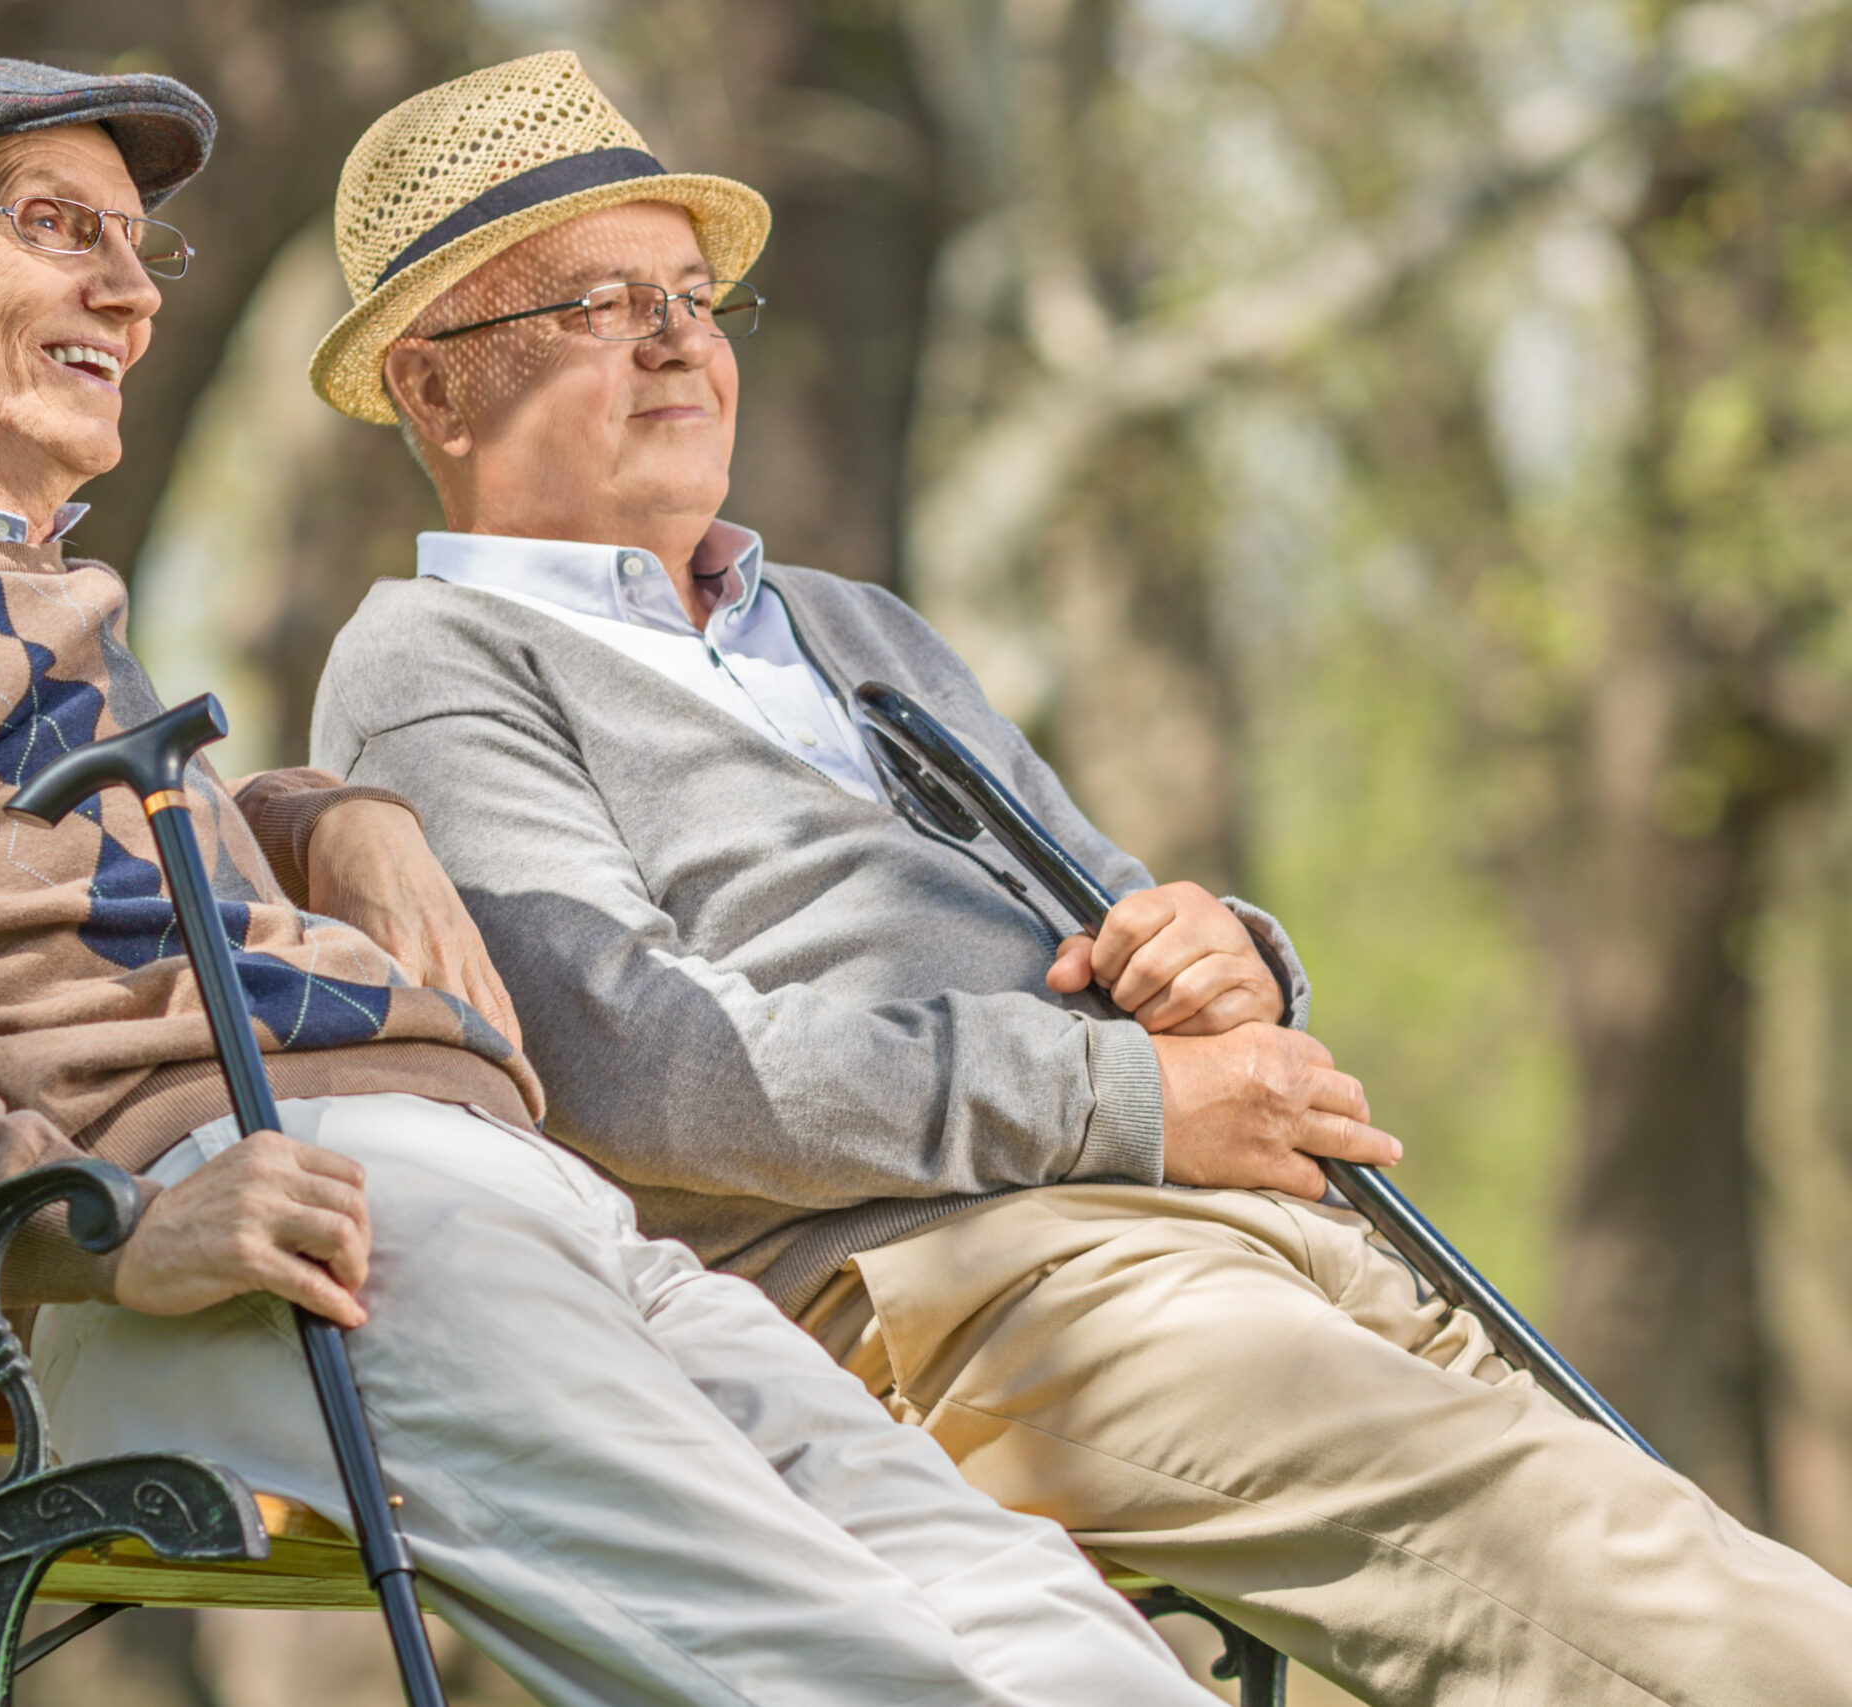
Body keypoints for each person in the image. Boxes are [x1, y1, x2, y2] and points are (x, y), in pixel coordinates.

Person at [0, 54, 1209, 1707]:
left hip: (508, 1207)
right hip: (257, 1249)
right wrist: (108, 1225)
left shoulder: (25, 605)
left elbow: (84, 871)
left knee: (1006, 1591)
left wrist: (328, 815)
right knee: (824, 1648)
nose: (123, 290)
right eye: (48, 225)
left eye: (135, 245)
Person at [306, 50, 1852, 1707]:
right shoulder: (432, 664)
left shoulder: (848, 622)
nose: (681, 338)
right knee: (1599, 1575)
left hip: (1227, 1235)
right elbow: (645, 1067)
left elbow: (1098, 905)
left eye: (693, 296)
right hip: (939, 1292)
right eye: (599, 305)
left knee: (1644, 1545)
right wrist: (1134, 1095)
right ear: (437, 391)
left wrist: (1217, 960)